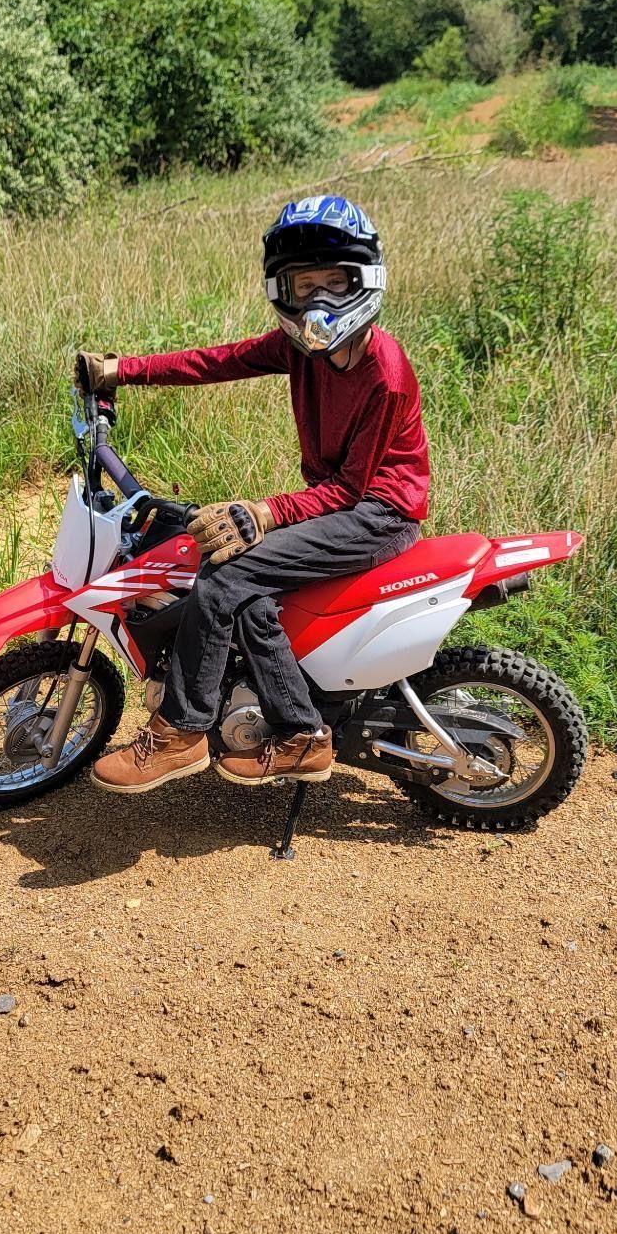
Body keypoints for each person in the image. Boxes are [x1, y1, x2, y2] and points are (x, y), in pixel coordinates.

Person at [78, 193, 430, 795]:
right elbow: (219, 361)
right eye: (304, 283)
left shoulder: (385, 375)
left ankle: (182, 730)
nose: (319, 299)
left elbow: (351, 489)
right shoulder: (300, 351)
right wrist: (124, 370)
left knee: (223, 575)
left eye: (334, 282)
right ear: (282, 290)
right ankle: (301, 731)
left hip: (378, 513)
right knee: (246, 588)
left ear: (363, 281)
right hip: (340, 500)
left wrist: (263, 512)